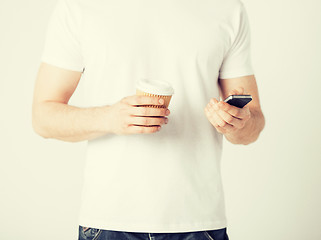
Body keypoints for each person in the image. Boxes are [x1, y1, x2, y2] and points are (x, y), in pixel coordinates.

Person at [32, 0, 265, 239]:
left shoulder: (226, 8)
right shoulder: (78, 7)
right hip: (108, 221)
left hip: (197, 222)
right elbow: (43, 117)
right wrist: (110, 117)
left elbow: (253, 122)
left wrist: (238, 122)